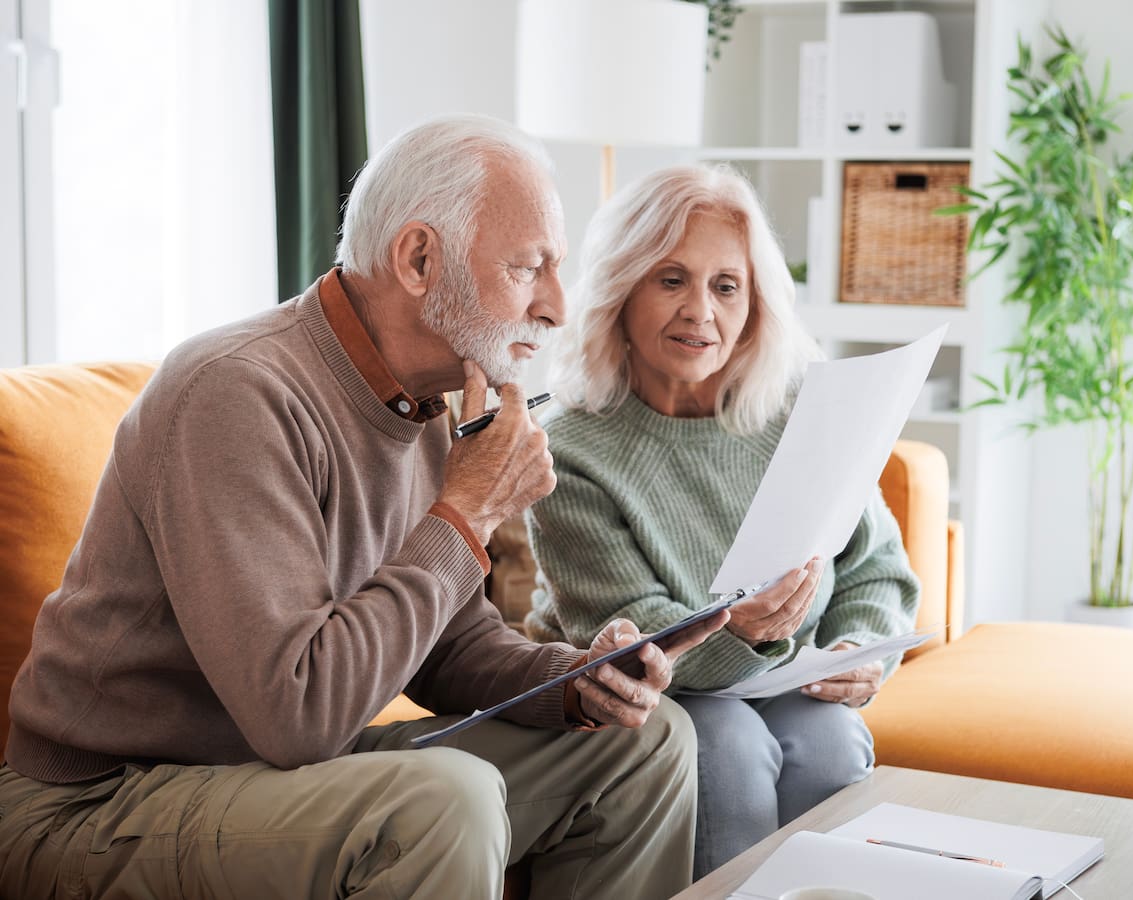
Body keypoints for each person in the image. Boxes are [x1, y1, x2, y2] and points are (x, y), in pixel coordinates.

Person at [0, 117, 730, 900]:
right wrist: (467, 512)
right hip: (99, 805)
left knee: (644, 743)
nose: (556, 305)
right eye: (529, 268)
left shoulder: (424, 401)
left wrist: (575, 680)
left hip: (280, 784)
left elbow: (447, 648)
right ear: (420, 259)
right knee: (444, 802)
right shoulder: (236, 393)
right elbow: (299, 716)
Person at [524, 162, 921, 879]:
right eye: (670, 279)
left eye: (725, 285)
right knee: (728, 745)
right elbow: (629, 632)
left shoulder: (802, 409)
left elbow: (876, 569)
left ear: (756, 302)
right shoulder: (568, 450)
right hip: (642, 698)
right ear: (621, 288)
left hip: (787, 682)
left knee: (832, 740)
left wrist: (861, 653)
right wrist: (738, 633)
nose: (700, 311)